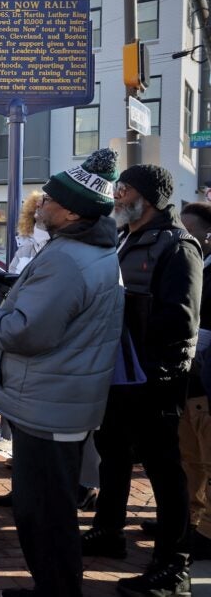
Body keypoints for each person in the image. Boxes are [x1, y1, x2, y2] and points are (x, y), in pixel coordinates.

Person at [0, 148, 123, 597]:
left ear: (73, 210)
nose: (41, 205)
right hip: (56, 402)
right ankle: (53, 586)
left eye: (51, 200)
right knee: (48, 512)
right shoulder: (84, 250)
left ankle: (56, 589)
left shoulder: (68, 258)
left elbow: (23, 333)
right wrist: (12, 291)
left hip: (49, 407)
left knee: (44, 515)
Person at [82, 163, 201, 597]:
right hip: (120, 373)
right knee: (111, 452)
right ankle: (108, 532)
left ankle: (174, 567)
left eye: (123, 188)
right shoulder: (125, 237)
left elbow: (180, 321)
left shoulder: (177, 246)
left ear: (145, 197)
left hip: (155, 378)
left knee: (164, 472)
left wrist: (122, 316)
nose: (115, 195)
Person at [178, 201, 211, 561]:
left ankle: (207, 531)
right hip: (192, 380)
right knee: (191, 457)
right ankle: (191, 517)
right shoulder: (193, 265)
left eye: (190, 230)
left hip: (206, 377)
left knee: (208, 457)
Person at [6, 191, 49, 275]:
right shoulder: (24, 249)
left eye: (46, 201)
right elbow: (12, 281)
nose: (38, 206)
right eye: (37, 208)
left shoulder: (62, 243)